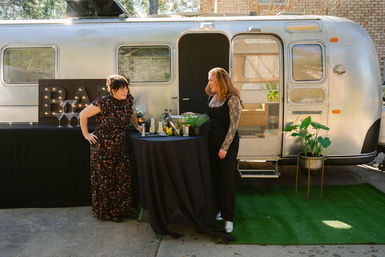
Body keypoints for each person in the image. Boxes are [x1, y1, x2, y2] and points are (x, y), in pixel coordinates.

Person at [80, 74, 141, 222]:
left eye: (126, 88)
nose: (124, 91)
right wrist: (86, 134)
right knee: (106, 180)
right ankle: (108, 212)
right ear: (112, 90)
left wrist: (137, 125)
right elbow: (82, 115)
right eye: (121, 89)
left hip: (120, 144)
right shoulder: (103, 102)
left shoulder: (128, 100)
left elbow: (131, 112)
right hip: (103, 146)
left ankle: (123, 209)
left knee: (122, 177)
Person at [206, 67, 243, 233]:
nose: (209, 83)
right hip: (212, 142)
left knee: (226, 180)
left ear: (220, 81)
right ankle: (220, 209)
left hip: (227, 144)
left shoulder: (232, 99)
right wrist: (193, 115)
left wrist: (224, 147)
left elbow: (233, 126)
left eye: (211, 80)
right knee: (215, 177)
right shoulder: (213, 98)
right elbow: (210, 117)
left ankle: (229, 218)